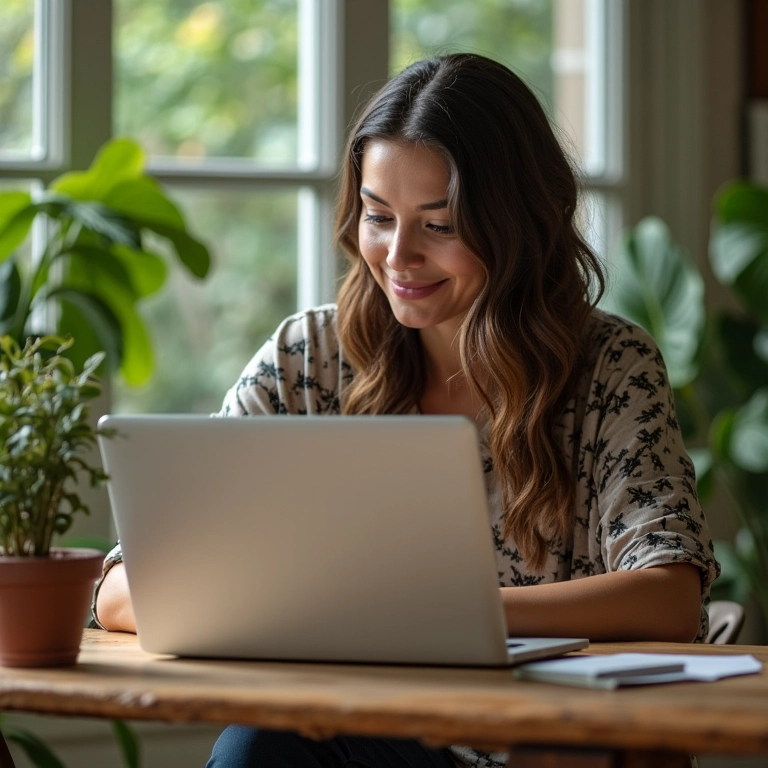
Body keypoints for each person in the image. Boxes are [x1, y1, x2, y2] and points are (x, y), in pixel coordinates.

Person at [93, 53, 719, 768]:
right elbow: (122, 593)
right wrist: (332, 619)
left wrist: (437, 617)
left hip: (537, 746)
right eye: (378, 216)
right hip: (358, 735)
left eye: (439, 225)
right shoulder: (308, 357)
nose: (398, 256)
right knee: (259, 745)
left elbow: (669, 595)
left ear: (517, 222)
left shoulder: (610, 364)